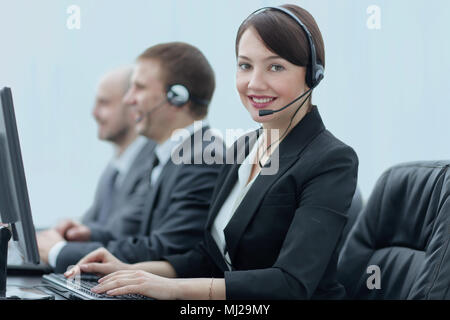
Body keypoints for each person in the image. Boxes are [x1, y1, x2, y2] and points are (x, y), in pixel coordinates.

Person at [66, 5, 358, 300]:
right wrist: (129, 269)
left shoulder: (331, 160)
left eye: (275, 67)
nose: (254, 83)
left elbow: (290, 284)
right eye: (245, 65)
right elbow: (208, 258)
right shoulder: (243, 148)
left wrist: (173, 290)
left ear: (313, 75)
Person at [41, 42, 224, 273]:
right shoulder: (169, 156)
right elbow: (140, 234)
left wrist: (60, 252)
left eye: (139, 87)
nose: (129, 99)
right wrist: (89, 234)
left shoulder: (203, 159)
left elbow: (165, 250)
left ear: (176, 97)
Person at [37, 66, 156, 267]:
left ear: (132, 105)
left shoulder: (153, 165)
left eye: (104, 102)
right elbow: (93, 226)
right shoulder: (114, 169)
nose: (94, 113)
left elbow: (122, 234)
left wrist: (58, 250)